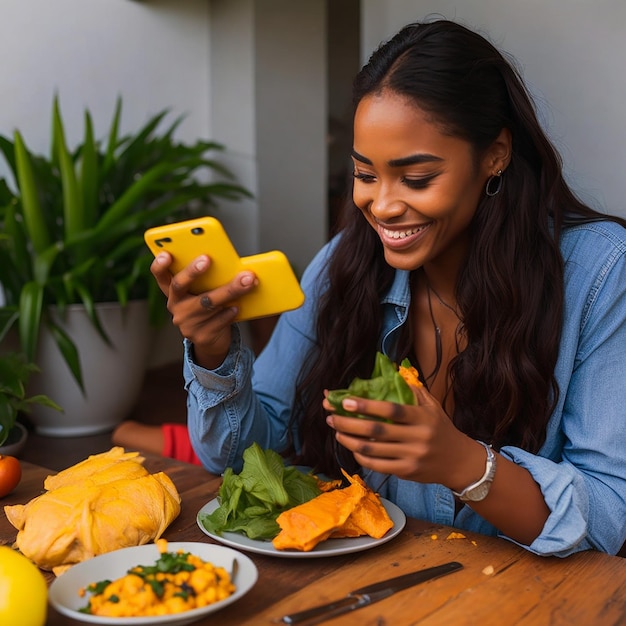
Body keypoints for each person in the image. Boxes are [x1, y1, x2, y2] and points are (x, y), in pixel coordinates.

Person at [123, 19, 626, 557]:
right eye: (366, 174)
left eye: (416, 178)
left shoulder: (599, 271)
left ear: (495, 155)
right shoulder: (344, 265)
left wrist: (460, 463)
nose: (382, 206)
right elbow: (248, 459)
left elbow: (608, 518)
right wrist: (214, 352)